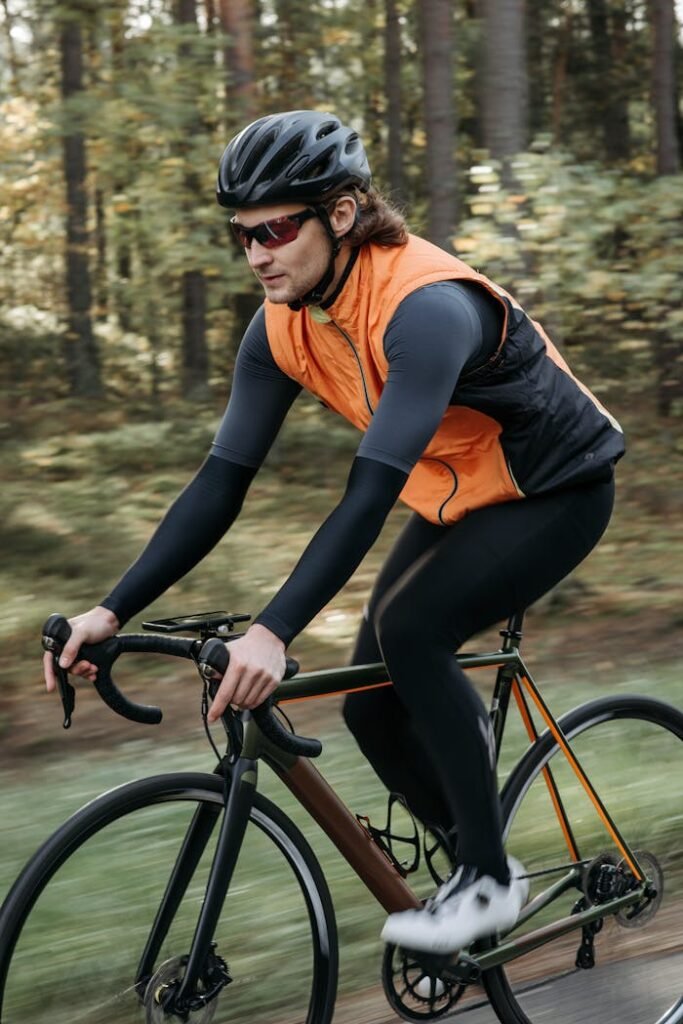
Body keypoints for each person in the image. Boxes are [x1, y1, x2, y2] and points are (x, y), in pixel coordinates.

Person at [43, 110, 624, 954]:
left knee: (410, 631)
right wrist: (111, 609)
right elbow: (221, 481)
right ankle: (478, 868)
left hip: (555, 488)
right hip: (457, 494)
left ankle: (489, 882)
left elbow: (369, 489)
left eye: (276, 229)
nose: (256, 254)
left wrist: (274, 631)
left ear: (341, 213)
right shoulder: (282, 322)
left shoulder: (423, 307)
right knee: (370, 710)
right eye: (242, 234)